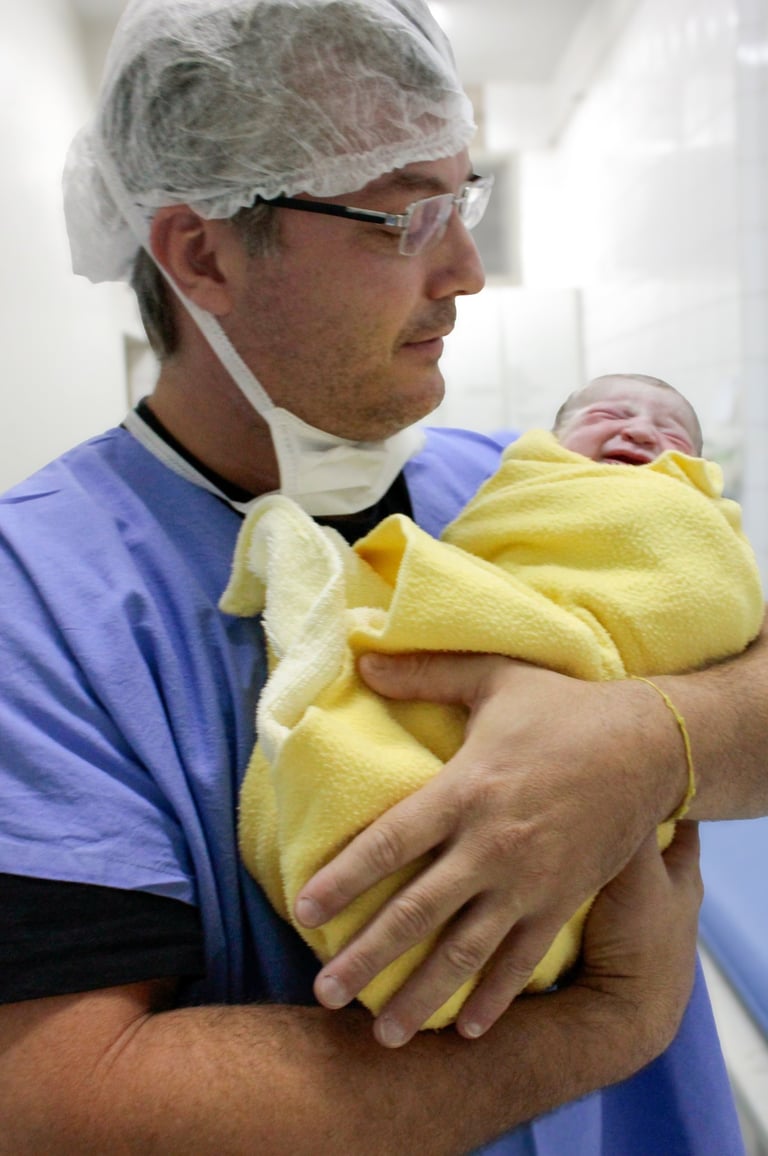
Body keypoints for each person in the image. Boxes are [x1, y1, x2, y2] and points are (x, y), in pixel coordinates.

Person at [0, 1, 764, 1152]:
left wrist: (655, 742)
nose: (464, 271)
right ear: (201, 252)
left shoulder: (531, 482)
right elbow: (65, 1102)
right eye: (406, 216)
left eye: (466, 201)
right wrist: (606, 1022)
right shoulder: (38, 601)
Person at [224, 370, 762, 1027]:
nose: (642, 431)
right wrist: (620, 1020)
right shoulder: (525, 475)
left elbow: (712, 600)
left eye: (673, 432)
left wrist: (644, 741)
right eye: (613, 411)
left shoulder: (663, 508)